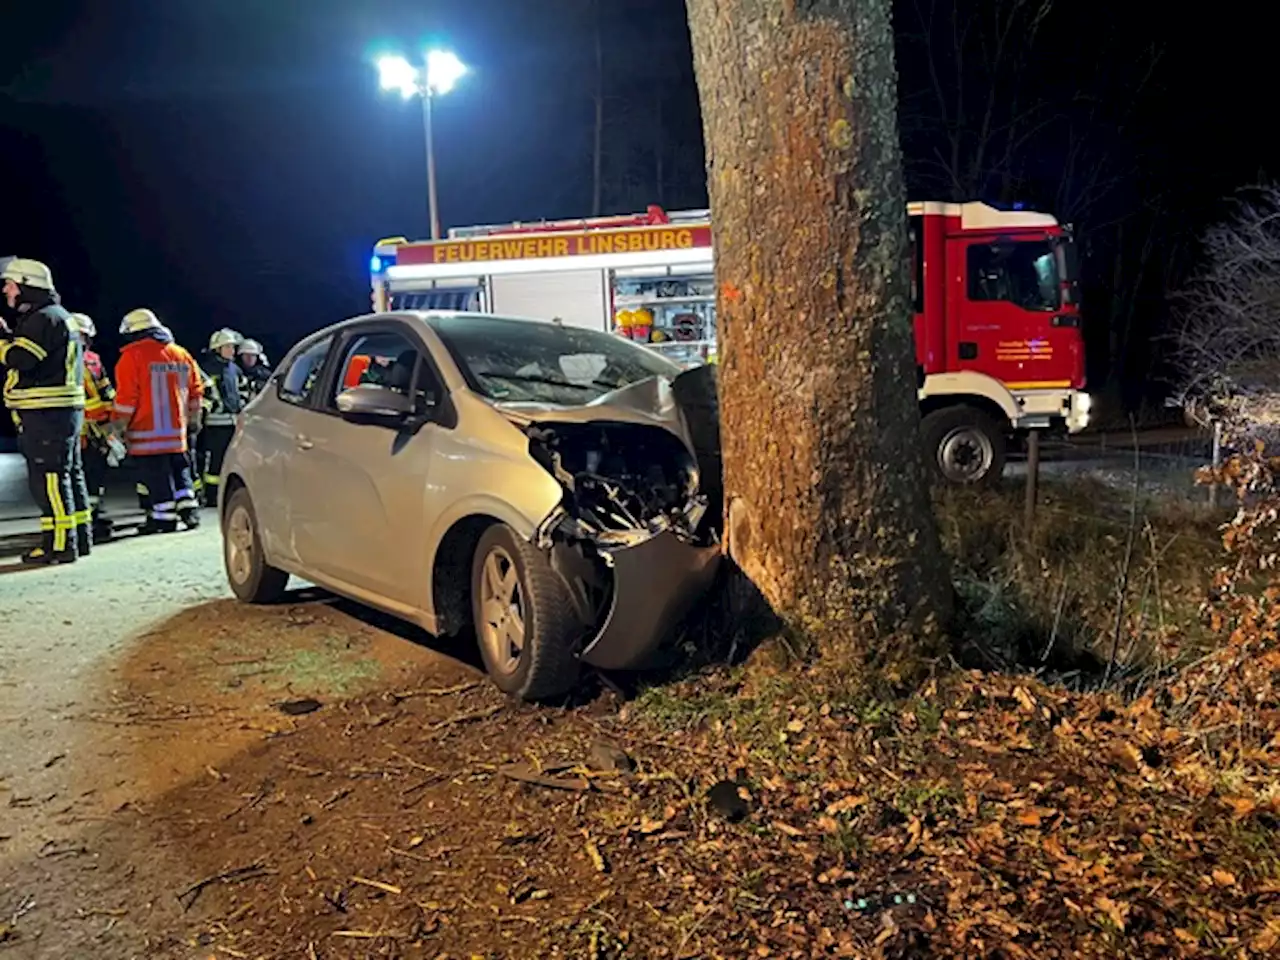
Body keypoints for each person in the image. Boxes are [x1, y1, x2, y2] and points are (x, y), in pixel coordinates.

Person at [0, 259, 88, 564]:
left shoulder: (42, 319)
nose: (6, 290)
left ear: (27, 285)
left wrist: (1, 341)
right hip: (61, 412)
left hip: (47, 414)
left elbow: (22, 359)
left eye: (10, 284)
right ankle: (78, 538)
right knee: (68, 475)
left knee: (49, 480)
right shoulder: (57, 317)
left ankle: (60, 546)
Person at [112, 309, 204, 533]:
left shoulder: (131, 357)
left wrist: (118, 426)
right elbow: (196, 391)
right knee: (181, 470)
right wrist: (194, 419)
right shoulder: (181, 354)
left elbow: (127, 399)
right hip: (177, 433)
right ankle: (189, 508)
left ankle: (164, 519)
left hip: (146, 433)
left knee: (157, 476)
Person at [69, 313, 121, 543]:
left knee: (95, 474)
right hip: (77, 429)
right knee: (79, 474)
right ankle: (83, 519)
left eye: (83, 335)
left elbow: (106, 390)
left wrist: (113, 419)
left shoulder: (93, 360)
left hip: (94, 429)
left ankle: (91, 516)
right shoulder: (65, 359)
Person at [199, 328, 243, 506]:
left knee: (230, 459)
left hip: (232, 421)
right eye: (228, 347)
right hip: (214, 424)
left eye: (233, 347)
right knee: (214, 461)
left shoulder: (234, 369)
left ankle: (224, 493)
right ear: (217, 349)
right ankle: (211, 496)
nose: (232, 351)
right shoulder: (207, 369)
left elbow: (241, 391)